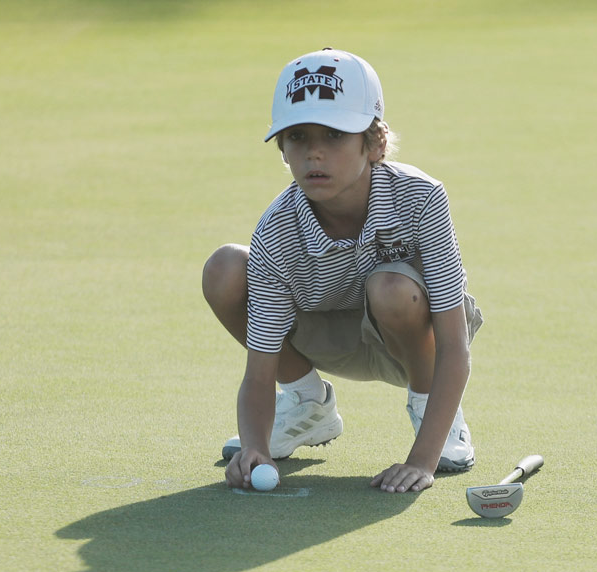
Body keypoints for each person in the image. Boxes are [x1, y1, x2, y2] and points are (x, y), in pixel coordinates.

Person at [202, 48, 483, 494]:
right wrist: (255, 445)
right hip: (325, 337)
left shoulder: (422, 198)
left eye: (334, 134)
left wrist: (422, 462)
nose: (314, 152)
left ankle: (435, 416)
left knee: (391, 286)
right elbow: (257, 372)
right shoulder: (276, 229)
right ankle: (307, 404)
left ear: (374, 144)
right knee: (225, 269)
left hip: (412, 340)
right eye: (297, 136)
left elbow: (454, 344)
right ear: (282, 148)